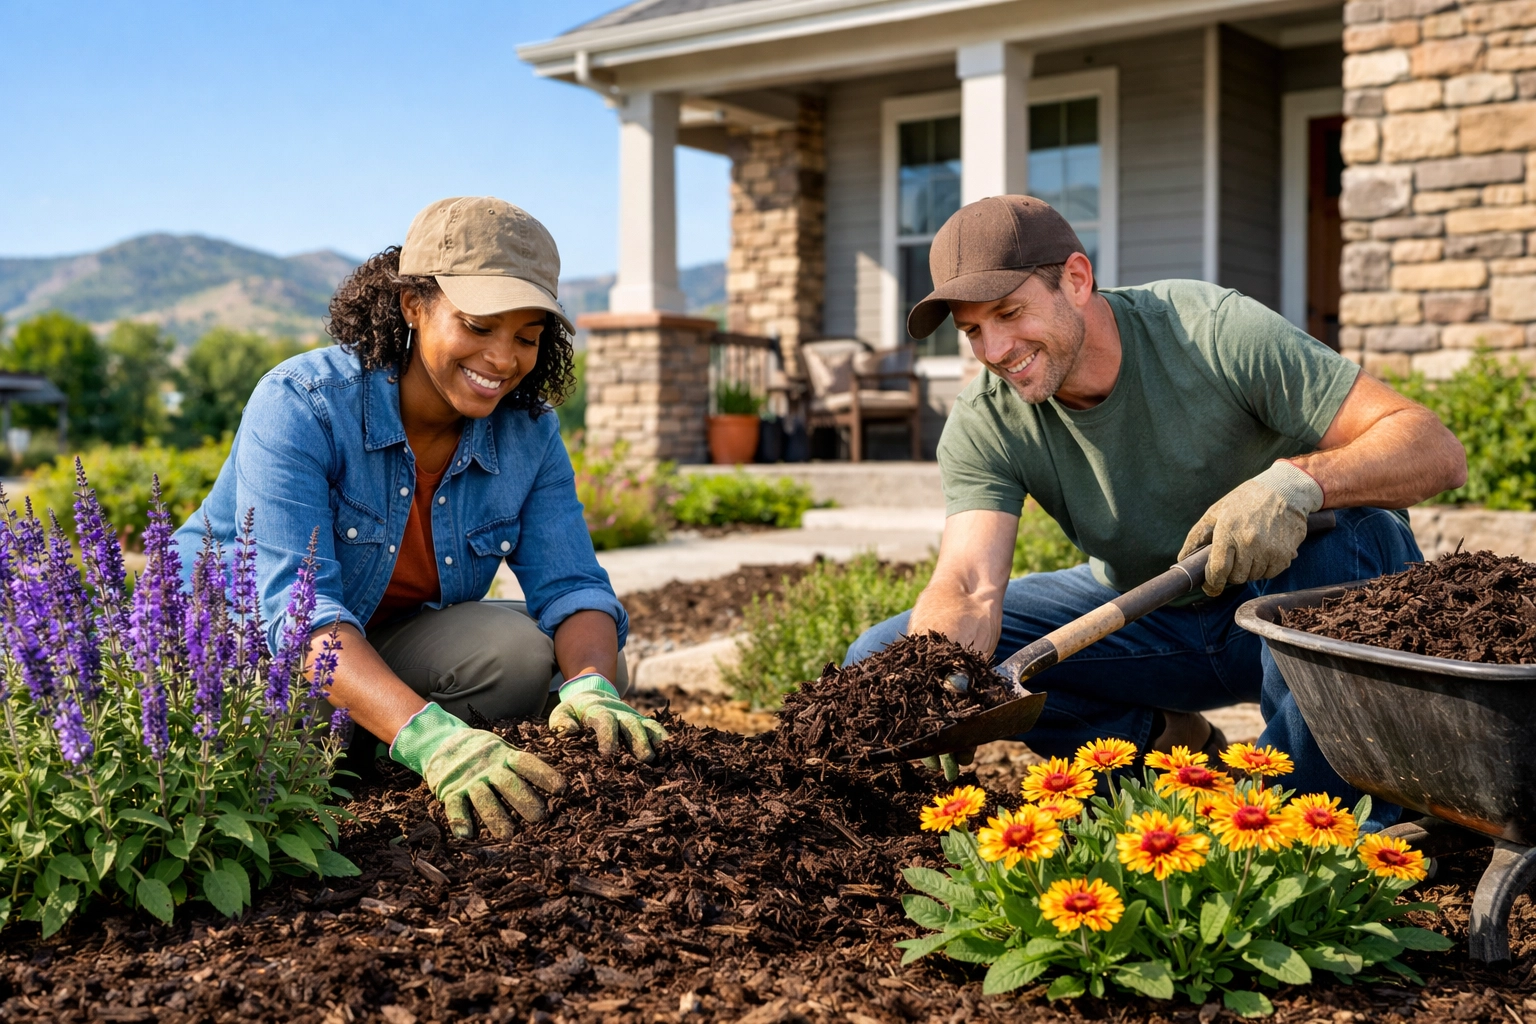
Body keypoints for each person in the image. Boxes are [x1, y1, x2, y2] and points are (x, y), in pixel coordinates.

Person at [844, 195, 1466, 830]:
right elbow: (969, 585)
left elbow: (1433, 449)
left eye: (1009, 312)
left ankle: (1312, 834)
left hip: (1295, 614)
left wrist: (1297, 483)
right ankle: (1170, 756)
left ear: (1077, 280)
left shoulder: (1211, 331)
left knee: (1352, 532)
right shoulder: (987, 419)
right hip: (1151, 625)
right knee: (889, 654)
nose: (996, 349)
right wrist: (940, 678)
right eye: (973, 330)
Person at [173, 196, 665, 840]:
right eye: (480, 326)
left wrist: (593, 684)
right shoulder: (302, 404)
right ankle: (395, 741)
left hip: (381, 645)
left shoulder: (529, 434)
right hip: (241, 660)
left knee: (551, 659)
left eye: (526, 337)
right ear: (414, 304)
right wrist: (434, 739)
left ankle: (378, 741)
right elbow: (299, 619)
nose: (502, 360)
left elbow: (572, 586)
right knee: (274, 729)